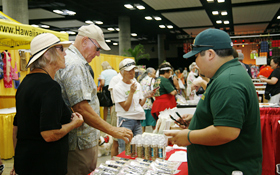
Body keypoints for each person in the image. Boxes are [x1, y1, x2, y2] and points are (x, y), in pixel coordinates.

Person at [165, 28, 262, 174]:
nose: (196, 63)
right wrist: (200, 119)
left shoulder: (228, 82)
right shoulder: (227, 75)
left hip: (224, 168)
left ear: (210, 54)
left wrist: (189, 137)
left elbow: (227, 131)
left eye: (197, 56)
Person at [55, 24, 133, 175]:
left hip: (83, 139)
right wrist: (112, 130)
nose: (98, 54)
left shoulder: (75, 62)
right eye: (97, 49)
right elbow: (81, 108)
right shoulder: (75, 65)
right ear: (84, 41)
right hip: (79, 142)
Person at [11, 33, 84, 175]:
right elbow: (49, 134)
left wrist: (17, 160)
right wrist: (74, 124)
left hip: (26, 163)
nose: (65, 54)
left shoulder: (25, 83)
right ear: (47, 55)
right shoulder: (50, 87)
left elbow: (16, 127)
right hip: (45, 166)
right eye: (61, 49)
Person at [113, 58, 153, 153]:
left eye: (133, 70)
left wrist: (147, 96)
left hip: (137, 120)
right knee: (125, 149)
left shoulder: (136, 84)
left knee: (139, 148)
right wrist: (131, 92)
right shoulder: (118, 87)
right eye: (129, 71)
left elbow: (140, 104)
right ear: (122, 73)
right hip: (125, 120)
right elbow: (126, 107)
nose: (132, 73)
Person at [139, 67, 157, 132]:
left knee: (143, 124)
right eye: (154, 73)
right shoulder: (152, 80)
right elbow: (154, 91)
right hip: (150, 104)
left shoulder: (141, 80)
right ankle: (155, 136)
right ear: (149, 73)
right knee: (153, 122)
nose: (155, 75)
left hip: (142, 104)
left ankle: (142, 137)